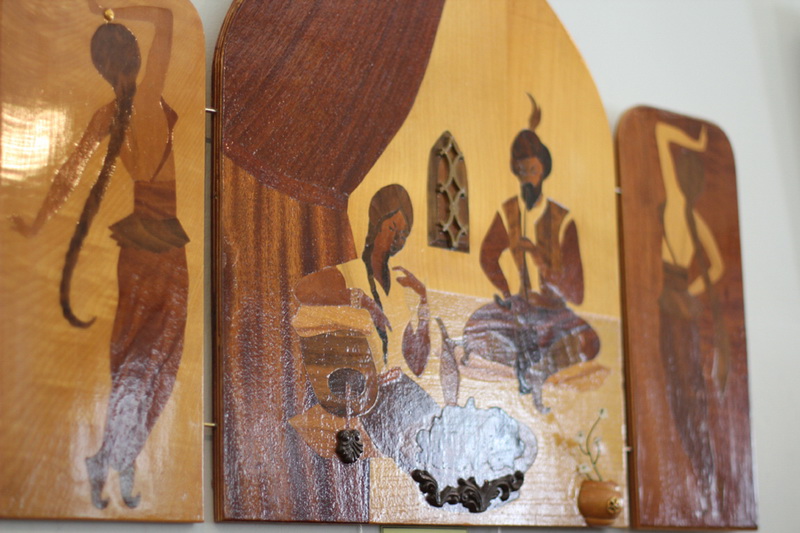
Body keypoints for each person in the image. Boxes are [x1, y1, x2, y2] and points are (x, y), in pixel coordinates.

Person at [12, 3, 188, 509]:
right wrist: (110, 10)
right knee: (154, 360)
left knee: (137, 358)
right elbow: (167, 19)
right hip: (161, 247)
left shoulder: (107, 115)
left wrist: (39, 223)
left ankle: (113, 460)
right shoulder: (147, 96)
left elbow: (69, 175)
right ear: (133, 57)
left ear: (102, 70)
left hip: (141, 247)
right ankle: (120, 460)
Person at [467, 94, 599, 413]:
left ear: (544, 170)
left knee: (588, 342)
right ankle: (531, 361)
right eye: (522, 170)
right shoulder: (509, 213)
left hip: (552, 311)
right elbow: (487, 256)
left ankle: (539, 365)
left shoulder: (562, 220)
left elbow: (576, 291)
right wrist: (506, 292)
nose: (528, 177)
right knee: (474, 331)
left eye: (533, 169)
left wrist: (538, 257)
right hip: (518, 309)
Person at [655, 121, 728, 504]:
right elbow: (716, 268)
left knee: (679, 383)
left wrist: (695, 142)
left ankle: (701, 471)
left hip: (671, 303)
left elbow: (661, 135)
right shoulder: (694, 219)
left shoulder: (675, 205)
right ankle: (704, 470)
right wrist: (692, 292)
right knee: (690, 382)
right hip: (682, 302)